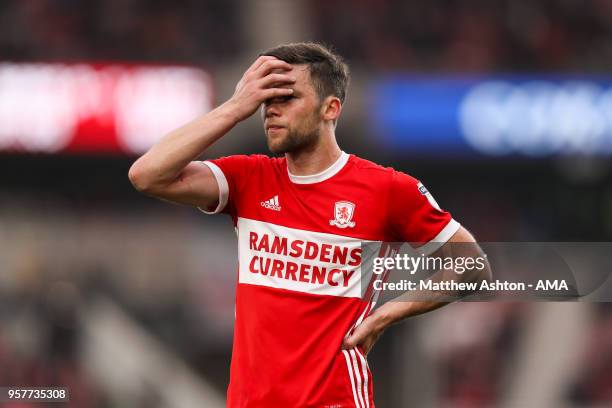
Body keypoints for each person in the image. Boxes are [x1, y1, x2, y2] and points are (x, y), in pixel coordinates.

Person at [128, 42, 489, 408]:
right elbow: (147, 175)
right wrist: (235, 108)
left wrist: (389, 312)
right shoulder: (249, 178)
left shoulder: (388, 189)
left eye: (287, 98)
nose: (270, 109)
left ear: (330, 108)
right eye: (266, 100)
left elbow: (472, 265)